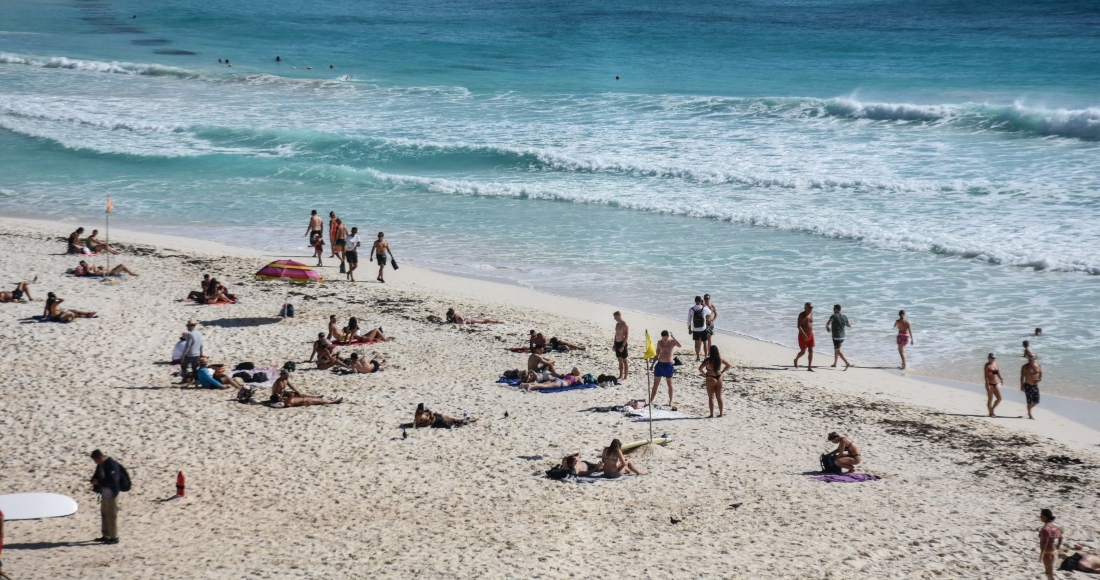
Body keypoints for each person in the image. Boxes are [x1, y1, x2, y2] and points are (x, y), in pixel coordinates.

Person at [89, 449, 121, 544]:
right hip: (104, 493)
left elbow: (113, 481)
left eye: (96, 460)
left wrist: (98, 482)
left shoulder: (111, 465)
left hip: (112, 494)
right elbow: (98, 474)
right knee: (104, 515)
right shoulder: (101, 464)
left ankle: (114, 537)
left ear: (100, 457)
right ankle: (106, 535)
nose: (95, 462)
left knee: (111, 515)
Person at [271, 369, 342, 407]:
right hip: (279, 396)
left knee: (300, 394)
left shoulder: (285, 379)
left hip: (285, 396)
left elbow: (292, 386)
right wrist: (286, 395)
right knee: (318, 400)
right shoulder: (279, 382)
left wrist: (298, 391)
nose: (287, 376)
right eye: (286, 375)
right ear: (281, 375)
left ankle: (320, 397)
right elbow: (278, 394)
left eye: (288, 375)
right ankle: (332, 401)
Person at [650, 330, 682, 408]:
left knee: (669, 384)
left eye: (665, 338)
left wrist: (674, 337)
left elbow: (679, 345)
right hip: (660, 364)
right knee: (655, 384)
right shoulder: (659, 342)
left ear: (668, 336)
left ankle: (670, 401)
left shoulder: (672, 342)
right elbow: (656, 354)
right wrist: (652, 364)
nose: (664, 339)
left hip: (668, 365)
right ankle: (651, 400)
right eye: (663, 338)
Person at [698, 345, 731, 418]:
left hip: (710, 377)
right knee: (719, 397)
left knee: (711, 397)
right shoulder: (720, 359)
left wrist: (705, 375)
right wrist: (722, 372)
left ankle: (712, 414)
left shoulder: (708, 360)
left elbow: (700, 368)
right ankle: (721, 413)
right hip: (719, 377)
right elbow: (728, 365)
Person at [826, 304, 852, 370]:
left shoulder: (833, 316)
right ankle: (835, 363)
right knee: (836, 349)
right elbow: (849, 325)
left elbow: (828, 323)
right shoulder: (844, 316)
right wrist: (842, 323)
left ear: (836, 309)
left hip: (836, 336)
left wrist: (827, 327)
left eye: (833, 309)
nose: (833, 310)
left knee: (838, 351)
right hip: (842, 336)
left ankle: (847, 363)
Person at [1040, 509, 1063, 580]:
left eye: (1041, 516)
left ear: (1045, 517)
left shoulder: (1046, 528)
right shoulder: (1055, 526)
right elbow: (1061, 538)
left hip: (1048, 553)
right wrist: (1058, 547)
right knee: (1048, 573)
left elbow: (1045, 542)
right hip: (1054, 551)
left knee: (1050, 574)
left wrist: (1041, 554)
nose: (1040, 517)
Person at [687, 296, 712, 361]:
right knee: (704, 343)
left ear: (695, 301)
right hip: (703, 328)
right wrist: (705, 306)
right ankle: (705, 357)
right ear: (701, 301)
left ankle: (698, 357)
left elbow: (688, 321)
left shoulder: (691, 309)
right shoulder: (704, 309)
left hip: (695, 329)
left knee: (696, 343)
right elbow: (710, 312)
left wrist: (689, 329)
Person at [179, 319, 203, 385]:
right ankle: (196, 380)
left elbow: (188, 346)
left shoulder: (190, 334)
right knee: (194, 368)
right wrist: (201, 354)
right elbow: (201, 345)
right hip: (197, 354)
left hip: (190, 354)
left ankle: (188, 378)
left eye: (188, 326)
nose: (187, 327)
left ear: (190, 326)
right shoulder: (199, 333)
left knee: (183, 366)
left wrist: (183, 355)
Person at [794, 302, 815, 371]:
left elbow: (810, 323)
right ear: (805, 308)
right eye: (810, 308)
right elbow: (799, 326)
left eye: (812, 308)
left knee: (811, 350)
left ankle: (809, 367)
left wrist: (810, 332)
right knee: (803, 352)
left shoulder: (811, 314)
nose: (811, 309)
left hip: (811, 334)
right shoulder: (802, 315)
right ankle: (796, 359)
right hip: (803, 335)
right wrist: (804, 334)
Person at [1021, 355, 1043, 420]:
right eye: (1029, 358)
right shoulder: (1025, 367)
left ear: (1035, 358)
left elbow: (1041, 373)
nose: (1030, 359)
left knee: (1037, 401)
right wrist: (1022, 385)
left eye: (1031, 358)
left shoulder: (1038, 365)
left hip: (1035, 385)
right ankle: (1030, 414)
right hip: (1028, 385)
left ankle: (1029, 409)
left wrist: (1039, 379)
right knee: (1029, 401)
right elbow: (1022, 377)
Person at [984, 353, 1004, 417]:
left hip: (995, 383)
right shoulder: (987, 366)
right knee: (990, 399)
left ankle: (992, 409)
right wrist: (988, 385)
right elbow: (986, 376)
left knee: (999, 398)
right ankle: (991, 413)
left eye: (994, 358)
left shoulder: (996, 364)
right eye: (992, 358)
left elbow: (997, 373)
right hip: (990, 384)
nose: (993, 359)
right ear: (988, 358)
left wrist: (1001, 378)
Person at [613, 311, 630, 381]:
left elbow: (626, 336)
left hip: (622, 343)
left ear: (619, 316)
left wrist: (623, 346)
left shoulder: (624, 324)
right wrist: (614, 344)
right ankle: (620, 375)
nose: (614, 318)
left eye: (615, 317)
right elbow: (616, 334)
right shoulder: (617, 324)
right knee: (619, 359)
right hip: (617, 343)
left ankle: (625, 376)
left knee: (624, 360)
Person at [73, 260, 138, 277]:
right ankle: (132, 273)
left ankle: (131, 273)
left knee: (121, 267)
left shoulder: (90, 269)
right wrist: (102, 269)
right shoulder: (90, 272)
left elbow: (94, 271)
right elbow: (102, 275)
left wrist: (99, 268)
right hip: (111, 273)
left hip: (110, 271)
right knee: (122, 266)